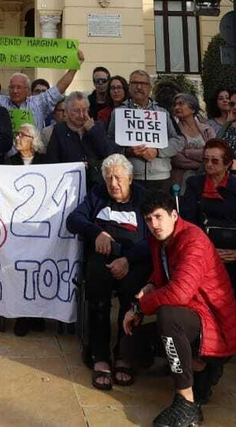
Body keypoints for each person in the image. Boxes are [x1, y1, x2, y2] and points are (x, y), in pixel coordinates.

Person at [121, 193, 236, 427]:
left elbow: (179, 292)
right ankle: (196, 364)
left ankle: (186, 400)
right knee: (131, 347)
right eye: (148, 219)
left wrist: (140, 307)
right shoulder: (161, 241)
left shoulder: (193, 240)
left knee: (168, 315)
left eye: (158, 217)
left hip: (214, 325)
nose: (154, 224)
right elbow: (163, 277)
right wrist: (148, 287)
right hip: (193, 314)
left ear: (174, 215)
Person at [68, 154, 152, 389]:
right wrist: (97, 233)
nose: (113, 184)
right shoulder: (98, 194)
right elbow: (73, 219)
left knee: (132, 290)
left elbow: (155, 236)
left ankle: (125, 353)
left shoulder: (143, 198)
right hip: (103, 256)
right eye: (109, 179)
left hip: (135, 258)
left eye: (119, 178)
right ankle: (100, 354)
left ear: (131, 178)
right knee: (96, 285)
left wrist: (128, 258)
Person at [179, 139, 236, 344]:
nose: (209, 165)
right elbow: (188, 222)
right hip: (205, 250)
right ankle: (204, 331)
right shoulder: (194, 184)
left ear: (227, 164)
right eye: (206, 160)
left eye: (215, 161)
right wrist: (208, 251)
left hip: (235, 251)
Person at [107, 69, 179, 198]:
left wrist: (158, 152)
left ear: (149, 88)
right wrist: (127, 151)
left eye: (143, 83)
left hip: (160, 176)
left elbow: (179, 140)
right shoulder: (118, 113)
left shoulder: (163, 112)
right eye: (134, 83)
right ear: (129, 87)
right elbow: (109, 142)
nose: (139, 87)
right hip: (129, 175)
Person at [46, 90, 116, 186]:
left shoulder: (97, 126)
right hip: (69, 183)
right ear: (67, 112)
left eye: (85, 110)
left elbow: (108, 154)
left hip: (95, 184)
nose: (82, 115)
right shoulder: (59, 130)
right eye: (76, 111)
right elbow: (52, 161)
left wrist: (92, 131)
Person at [170, 93, 215, 187]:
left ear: (193, 109)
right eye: (175, 105)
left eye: (181, 103)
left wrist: (187, 152)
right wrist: (203, 164)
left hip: (208, 178)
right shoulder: (172, 131)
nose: (177, 107)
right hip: (182, 181)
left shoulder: (207, 129)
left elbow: (214, 151)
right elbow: (176, 158)